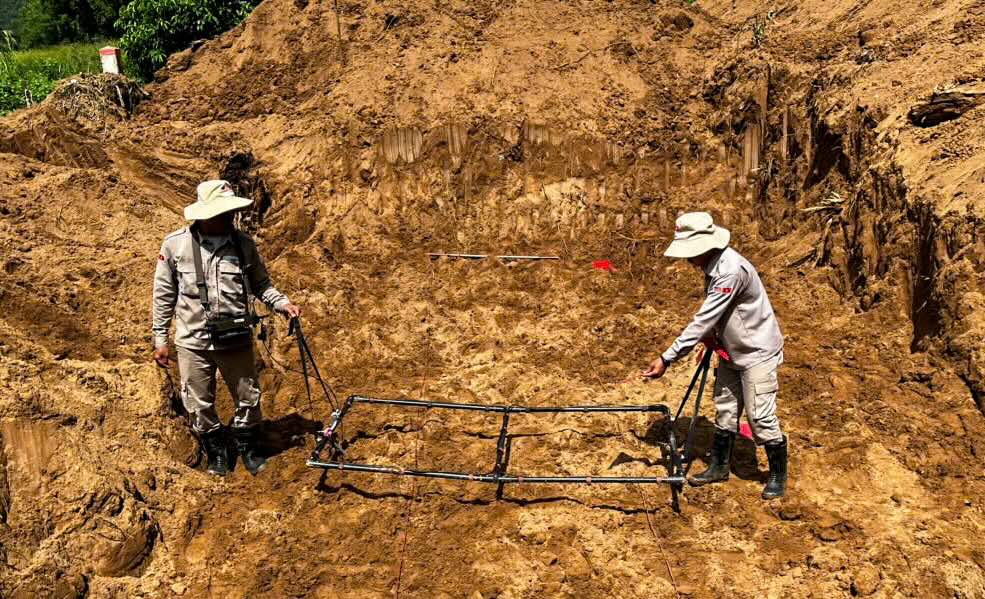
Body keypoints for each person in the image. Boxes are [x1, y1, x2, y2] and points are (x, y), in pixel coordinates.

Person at [152, 180, 300, 477]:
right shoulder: (175, 245)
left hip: (235, 339)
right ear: (204, 214)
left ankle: (247, 446)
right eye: (223, 212)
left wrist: (283, 304)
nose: (229, 218)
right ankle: (217, 451)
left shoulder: (244, 245)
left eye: (230, 212)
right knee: (197, 401)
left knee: (248, 397)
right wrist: (160, 338)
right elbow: (163, 293)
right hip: (192, 341)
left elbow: (261, 284)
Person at [642, 212, 788, 499]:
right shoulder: (714, 266)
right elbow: (717, 319)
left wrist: (667, 358)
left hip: (757, 351)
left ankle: (776, 475)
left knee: (760, 416)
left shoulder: (729, 271)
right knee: (726, 407)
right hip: (732, 349)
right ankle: (719, 466)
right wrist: (713, 339)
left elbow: (703, 319)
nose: (687, 259)